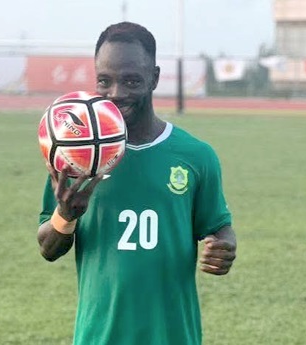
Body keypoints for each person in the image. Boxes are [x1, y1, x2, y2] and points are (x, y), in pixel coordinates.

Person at [37, 21, 237, 345]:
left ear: (154, 78)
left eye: (131, 80)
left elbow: (219, 227)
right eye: (105, 81)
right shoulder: (78, 155)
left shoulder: (196, 156)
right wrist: (66, 215)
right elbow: (47, 248)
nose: (116, 93)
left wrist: (224, 248)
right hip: (99, 337)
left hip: (174, 336)